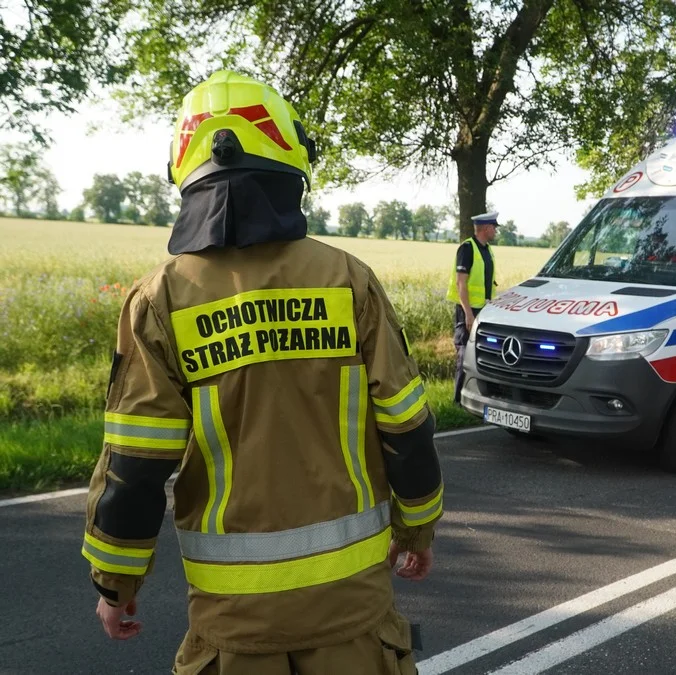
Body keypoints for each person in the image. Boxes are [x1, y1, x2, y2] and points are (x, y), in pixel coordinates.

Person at [80, 70, 443, 675]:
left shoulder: (161, 301)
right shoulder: (347, 279)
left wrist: (116, 584)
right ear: (288, 156)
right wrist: (418, 529)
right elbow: (405, 423)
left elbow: (136, 463)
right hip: (354, 613)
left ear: (185, 168)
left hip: (234, 626)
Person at [446, 212, 498, 404]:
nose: (495, 230)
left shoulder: (487, 250)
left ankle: (478, 395)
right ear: (485, 228)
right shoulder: (467, 248)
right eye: (494, 227)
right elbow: (462, 283)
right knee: (463, 352)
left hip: (483, 309)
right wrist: (468, 313)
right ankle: (457, 399)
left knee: (480, 352)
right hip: (467, 310)